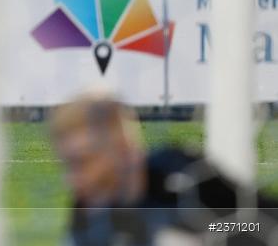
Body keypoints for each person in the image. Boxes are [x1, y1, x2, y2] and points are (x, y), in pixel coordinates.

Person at [52, 93, 278, 245]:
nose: (72, 179)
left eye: (83, 161)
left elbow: (261, 219)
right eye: (68, 164)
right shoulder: (87, 215)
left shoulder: (185, 176)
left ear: (123, 149)